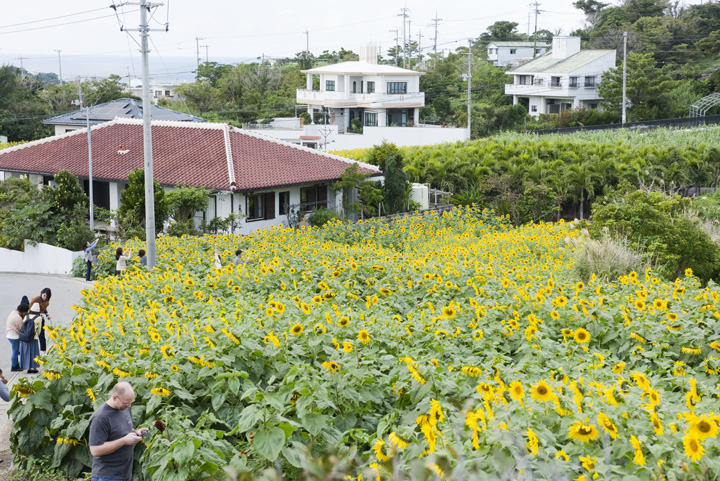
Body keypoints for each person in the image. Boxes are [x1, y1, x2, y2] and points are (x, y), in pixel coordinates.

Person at [89, 382, 147, 481]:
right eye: (126, 403)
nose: (129, 406)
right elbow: (95, 450)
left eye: (131, 402)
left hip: (124, 473)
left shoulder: (124, 408)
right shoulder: (100, 418)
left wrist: (136, 432)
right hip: (107, 475)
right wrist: (124, 440)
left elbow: (122, 429)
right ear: (115, 397)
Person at [19, 303, 42, 374]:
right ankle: (34, 368)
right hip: (33, 338)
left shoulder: (27, 316)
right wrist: (36, 335)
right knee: (34, 353)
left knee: (26, 353)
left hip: (25, 337)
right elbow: (39, 330)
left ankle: (28, 368)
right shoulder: (39, 318)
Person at [6, 302, 29, 371]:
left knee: (17, 350)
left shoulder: (13, 312)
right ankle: (14, 366)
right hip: (14, 336)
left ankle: (17, 363)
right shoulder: (18, 318)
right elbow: (21, 329)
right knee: (15, 351)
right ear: (23, 311)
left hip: (9, 334)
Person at [29, 287, 51, 353]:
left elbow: (44, 309)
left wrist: (47, 314)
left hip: (41, 318)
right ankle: (31, 350)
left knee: (42, 335)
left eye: (46, 297)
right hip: (33, 318)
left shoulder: (47, 302)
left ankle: (43, 351)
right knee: (32, 334)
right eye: (44, 295)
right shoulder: (35, 299)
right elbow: (29, 308)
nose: (45, 298)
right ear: (41, 293)